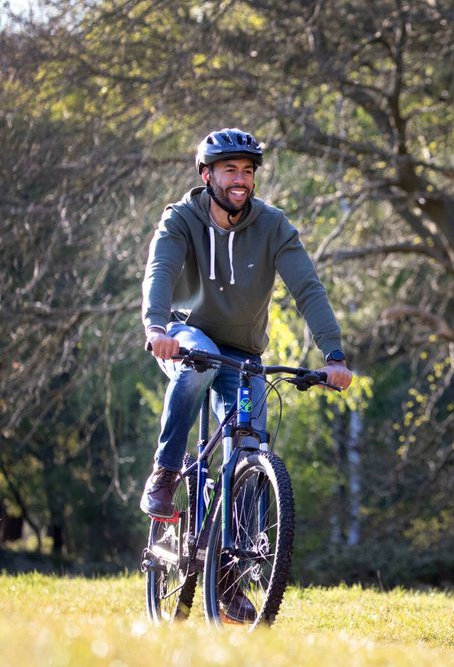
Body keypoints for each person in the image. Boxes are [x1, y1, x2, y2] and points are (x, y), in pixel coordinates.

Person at [140, 126, 353, 521]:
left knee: (251, 451)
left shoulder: (273, 226)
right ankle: (165, 472)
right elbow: (160, 272)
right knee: (196, 364)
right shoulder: (180, 219)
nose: (241, 180)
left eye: (248, 171)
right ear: (207, 175)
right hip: (185, 336)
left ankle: (233, 569)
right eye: (230, 170)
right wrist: (155, 327)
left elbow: (307, 288)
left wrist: (334, 355)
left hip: (243, 350)